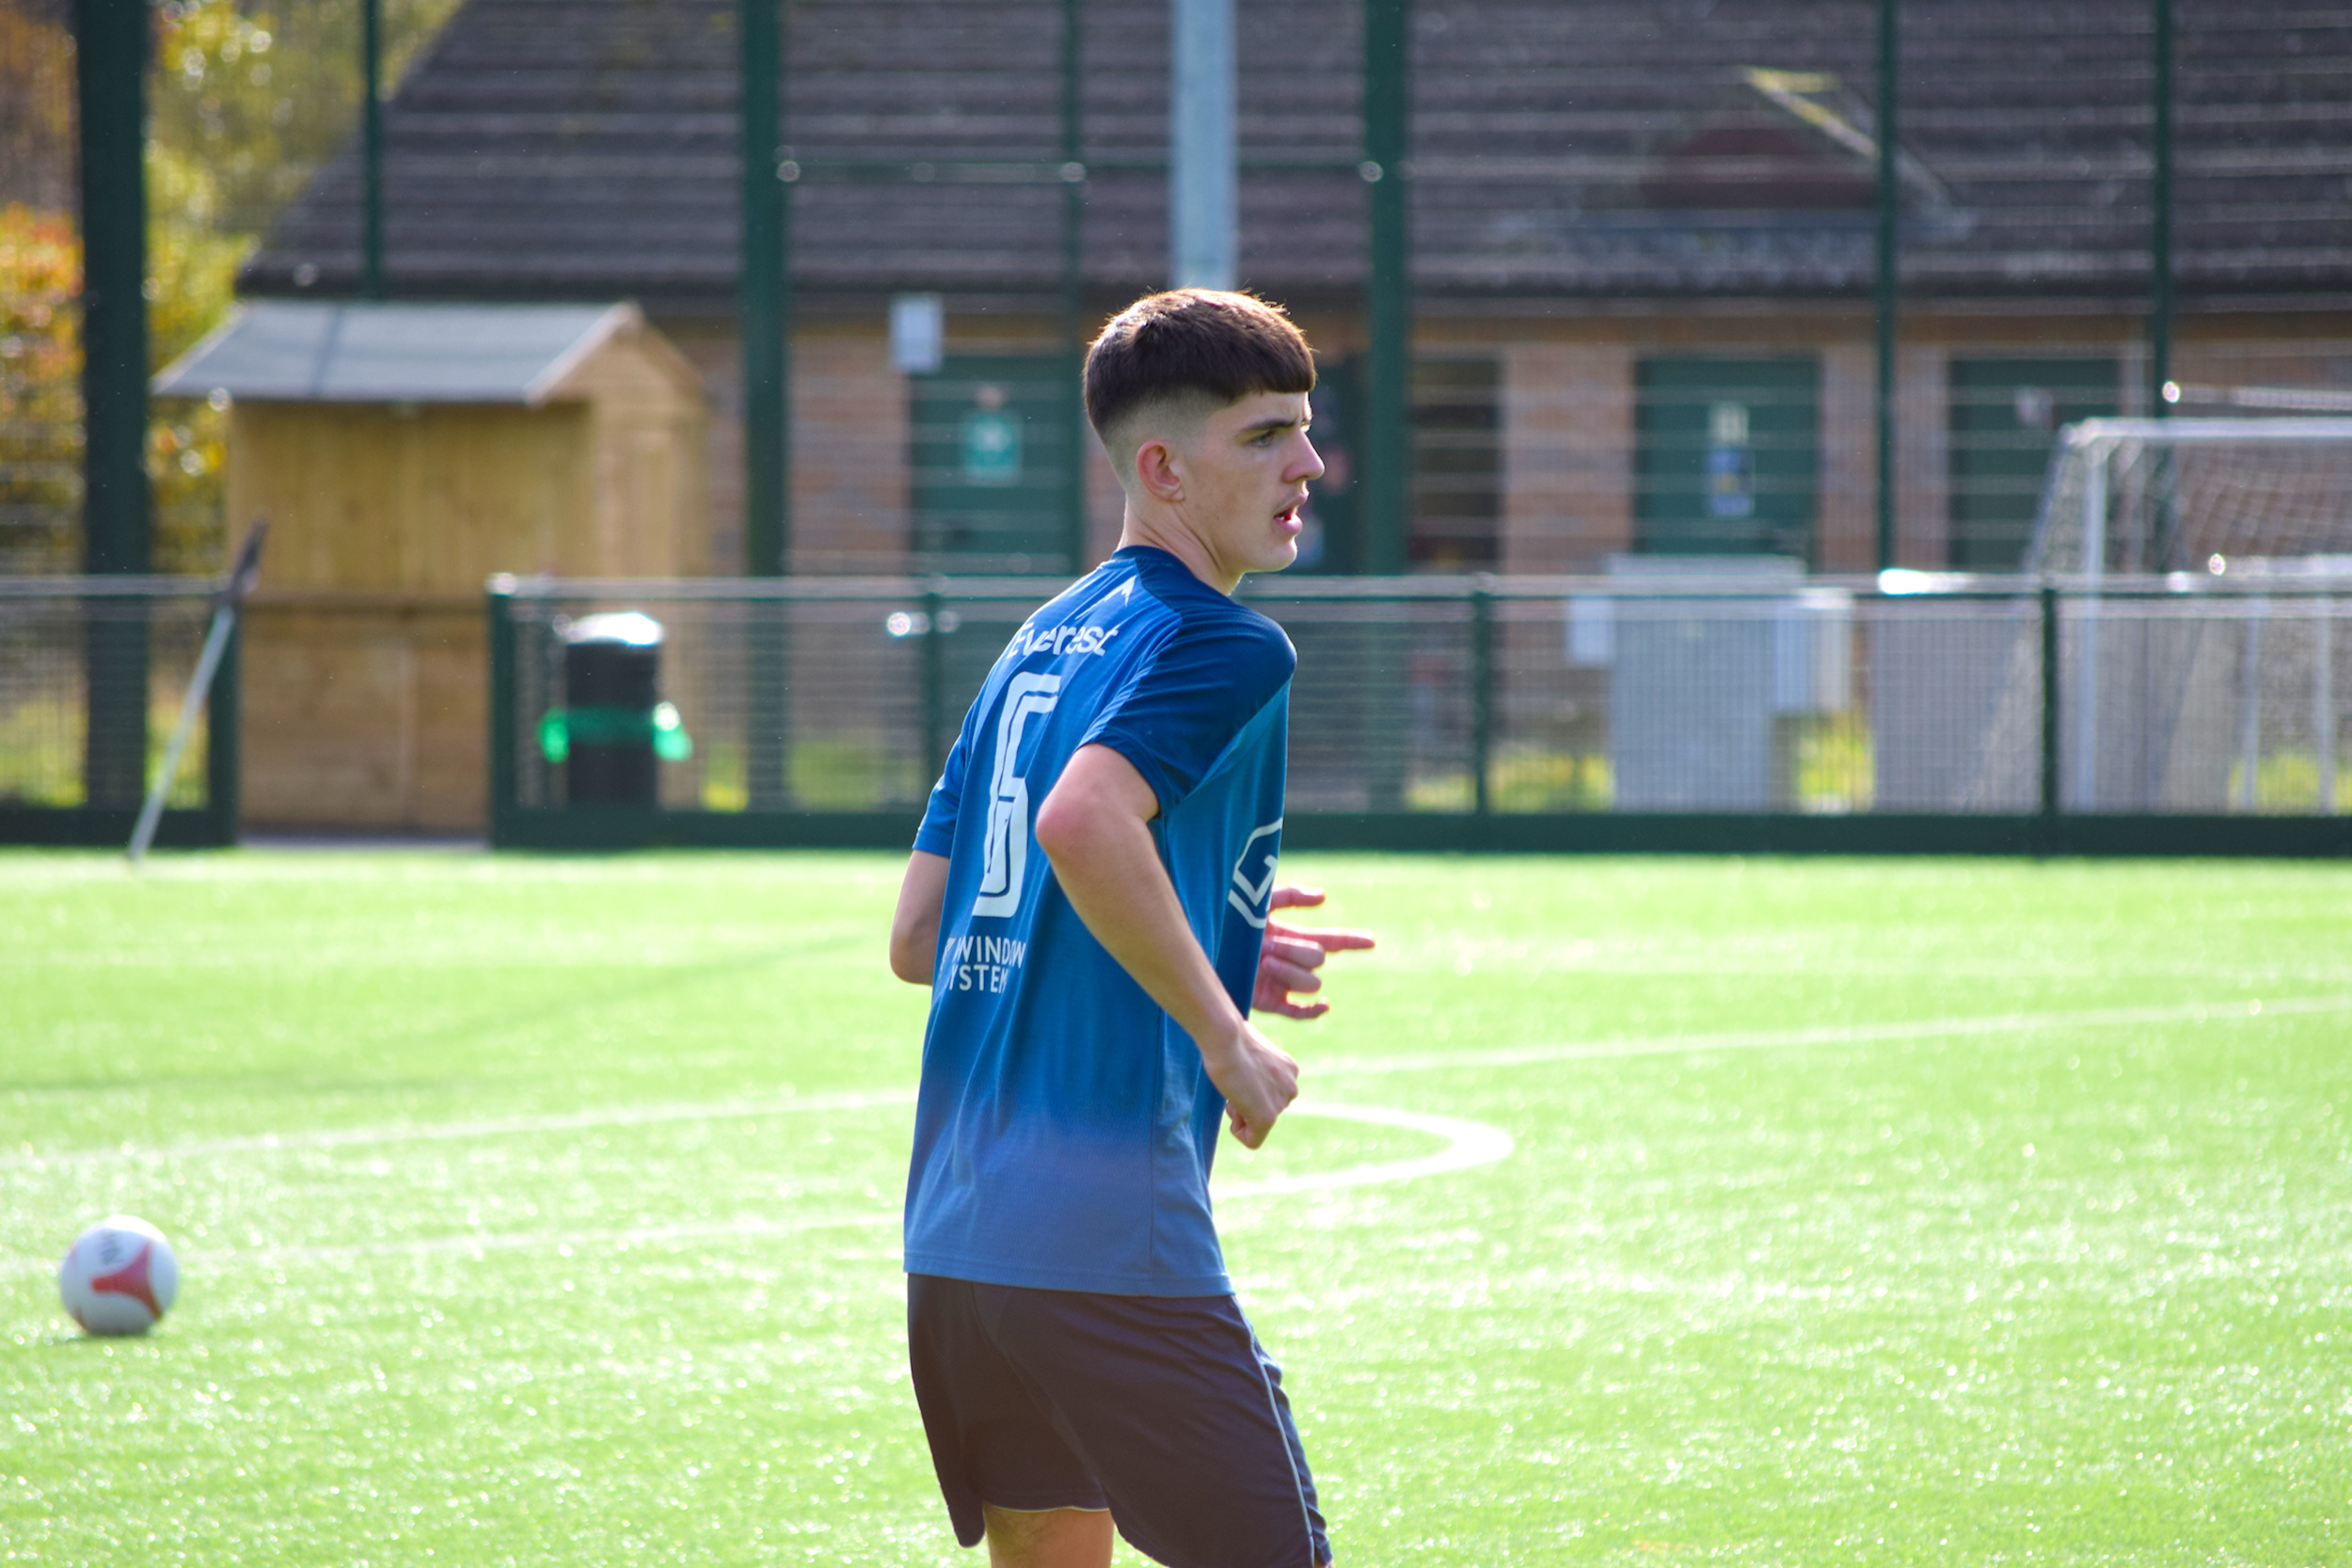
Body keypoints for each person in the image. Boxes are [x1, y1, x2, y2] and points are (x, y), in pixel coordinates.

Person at [887, 288, 1375, 1568]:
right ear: (1161, 466)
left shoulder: (1035, 645)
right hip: (1107, 1244)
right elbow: (1084, 824)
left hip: (958, 1246)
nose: (1310, 466)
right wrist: (1225, 1033)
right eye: (1267, 436)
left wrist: (1202, 941)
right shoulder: (1225, 645)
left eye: (1307, 430)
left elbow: (924, 930)